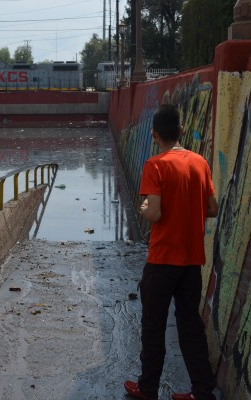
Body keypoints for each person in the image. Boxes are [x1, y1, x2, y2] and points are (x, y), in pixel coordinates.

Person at [124, 104, 219, 400]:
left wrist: (143, 206)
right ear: (180, 131)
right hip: (191, 262)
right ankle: (202, 392)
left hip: (163, 260)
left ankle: (148, 388)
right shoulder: (200, 162)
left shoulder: (156, 165)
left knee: (153, 326)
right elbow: (213, 208)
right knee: (190, 326)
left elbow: (153, 213)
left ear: (153, 135)